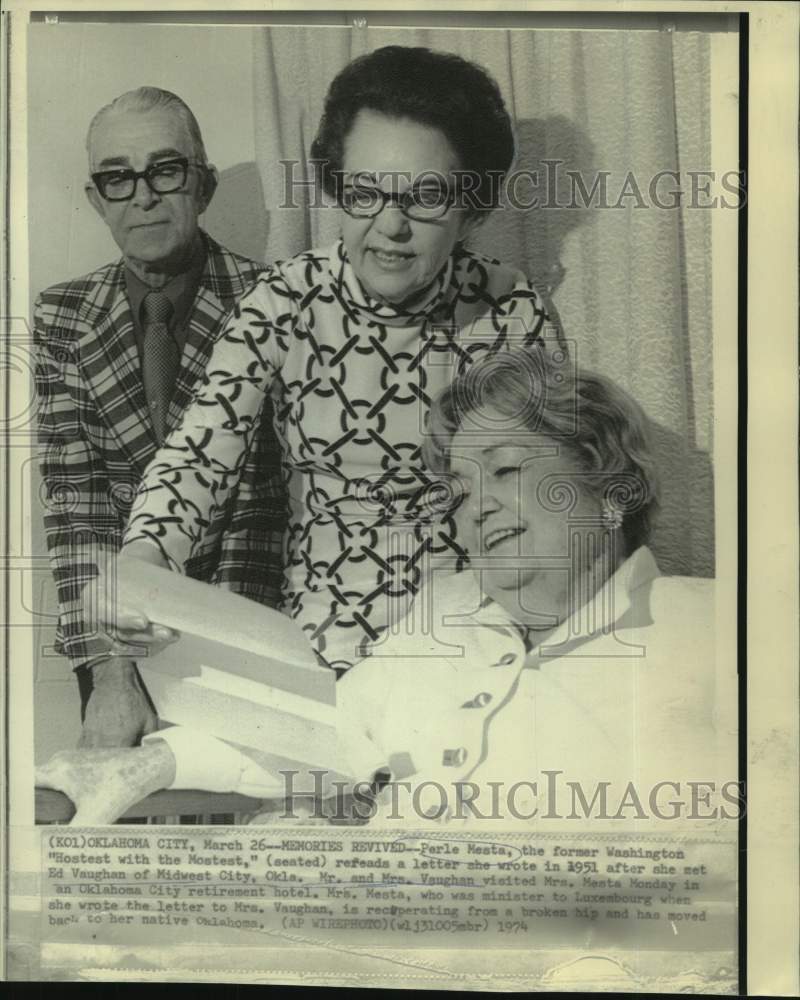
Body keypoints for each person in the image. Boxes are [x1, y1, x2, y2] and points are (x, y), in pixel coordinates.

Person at [35, 349, 735, 828]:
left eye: (509, 471)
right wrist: (153, 762)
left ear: (610, 492)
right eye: (460, 490)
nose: (478, 506)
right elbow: (318, 732)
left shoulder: (717, 634)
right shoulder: (442, 615)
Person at [114, 46, 557, 674]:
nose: (390, 225)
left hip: (476, 643)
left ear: (472, 207)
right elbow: (197, 452)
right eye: (365, 192)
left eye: (426, 197)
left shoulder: (516, 312)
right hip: (323, 651)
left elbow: (545, 497)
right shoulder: (285, 299)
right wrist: (143, 560)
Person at [34, 87, 285, 749]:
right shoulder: (60, 317)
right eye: (117, 177)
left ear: (200, 186)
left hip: (250, 629)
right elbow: (77, 511)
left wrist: (228, 668)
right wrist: (114, 671)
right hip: (114, 646)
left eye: (165, 170)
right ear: (97, 200)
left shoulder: (276, 301)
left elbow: (262, 508)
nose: (142, 195)